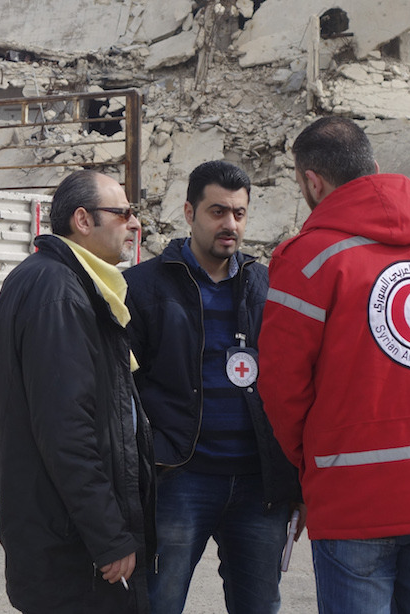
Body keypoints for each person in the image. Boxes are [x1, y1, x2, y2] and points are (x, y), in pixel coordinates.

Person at [257, 116, 410, 614]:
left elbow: (280, 385)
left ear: (311, 181)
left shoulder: (310, 260)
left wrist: (313, 457)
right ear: (375, 167)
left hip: (355, 493)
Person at [125, 160, 301, 614]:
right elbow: (119, 389)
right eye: (217, 212)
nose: (230, 225)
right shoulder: (142, 287)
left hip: (258, 486)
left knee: (259, 605)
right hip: (179, 479)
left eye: (239, 214)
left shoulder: (266, 285)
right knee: (158, 603)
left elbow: (294, 378)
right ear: (189, 212)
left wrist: (294, 481)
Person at [0, 169, 155, 614]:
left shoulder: (61, 282)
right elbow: (68, 432)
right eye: (122, 213)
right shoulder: (59, 291)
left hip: (56, 532)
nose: (135, 223)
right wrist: (109, 537)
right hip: (69, 547)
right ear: (83, 220)